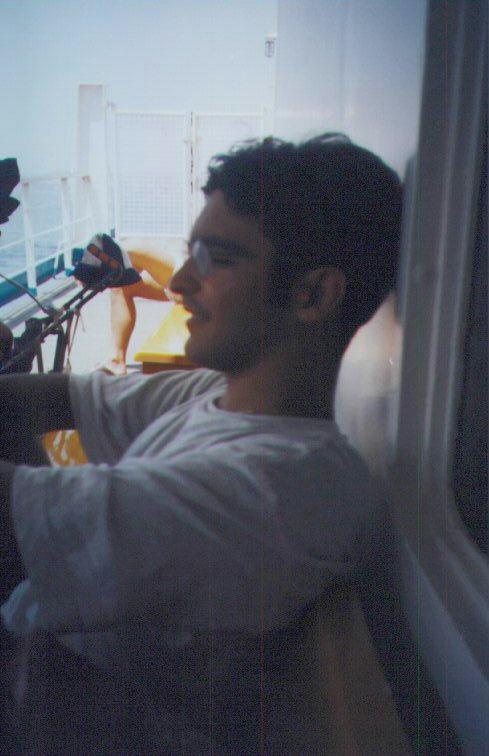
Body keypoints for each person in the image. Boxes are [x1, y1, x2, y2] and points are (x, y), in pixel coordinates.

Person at [0, 133, 402, 752]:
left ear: (313, 295)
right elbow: (39, 401)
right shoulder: (216, 392)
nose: (180, 282)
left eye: (215, 258)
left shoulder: (285, 485)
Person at [98, 238, 175, 376]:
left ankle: (90, 273)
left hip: (208, 282)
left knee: (131, 250)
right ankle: (116, 360)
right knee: (123, 285)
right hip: (199, 274)